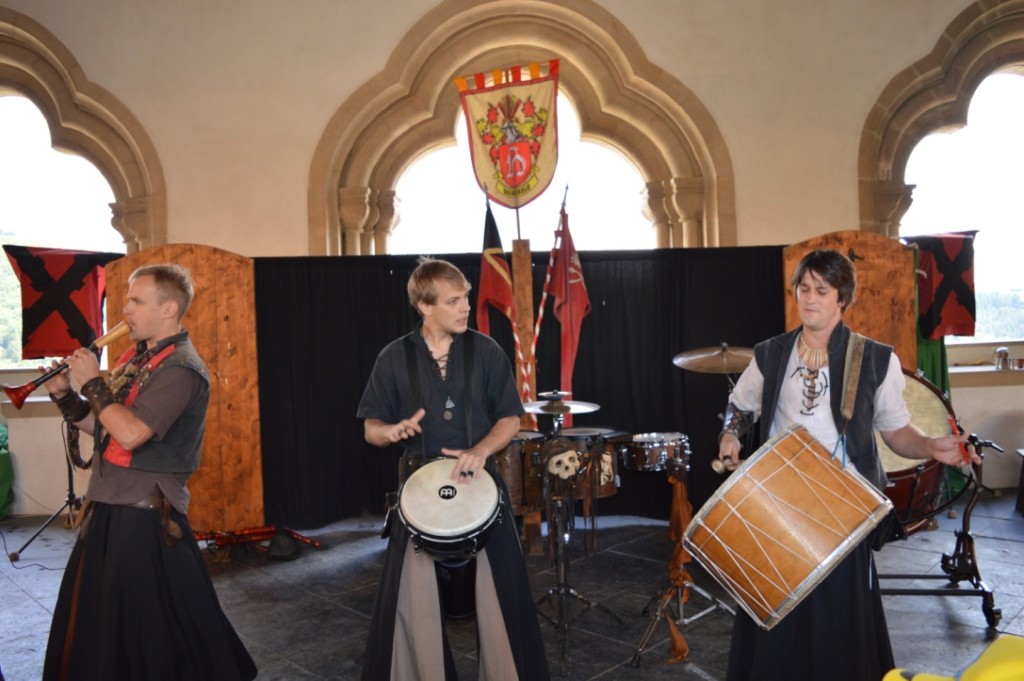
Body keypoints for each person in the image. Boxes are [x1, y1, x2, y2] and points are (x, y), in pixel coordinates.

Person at [716, 248, 979, 681]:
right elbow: (739, 408)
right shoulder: (771, 354)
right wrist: (729, 433)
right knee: (777, 611)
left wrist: (932, 446)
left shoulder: (876, 359)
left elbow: (897, 433)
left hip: (845, 508)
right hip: (780, 503)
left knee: (839, 618)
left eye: (822, 290)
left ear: (843, 298)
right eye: (804, 288)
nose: (810, 298)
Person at [40, 264, 256, 681]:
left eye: (137, 302)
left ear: (170, 309)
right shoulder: (139, 360)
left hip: (144, 517)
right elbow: (105, 429)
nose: (127, 311)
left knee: (154, 635)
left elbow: (132, 433)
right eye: (127, 301)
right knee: (111, 630)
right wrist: (68, 396)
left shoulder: (180, 370)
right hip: (112, 506)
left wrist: (94, 383)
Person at [357, 257, 549, 680]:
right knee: (414, 602)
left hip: (481, 485)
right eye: (453, 301)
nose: (465, 308)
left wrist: (480, 450)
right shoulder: (393, 357)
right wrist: (390, 431)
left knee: (501, 597)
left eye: (465, 298)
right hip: (419, 493)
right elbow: (371, 427)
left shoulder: (487, 350)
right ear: (425, 307)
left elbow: (510, 419)